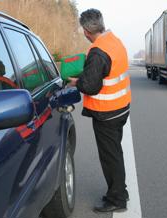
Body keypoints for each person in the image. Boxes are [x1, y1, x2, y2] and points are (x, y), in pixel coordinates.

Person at [68, 8, 131, 213]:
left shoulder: (98, 51)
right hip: (121, 108)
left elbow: (91, 86)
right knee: (115, 153)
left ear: (86, 31)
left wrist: (77, 83)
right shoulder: (114, 40)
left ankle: (117, 199)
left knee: (110, 156)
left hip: (107, 113)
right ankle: (120, 190)